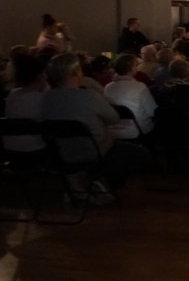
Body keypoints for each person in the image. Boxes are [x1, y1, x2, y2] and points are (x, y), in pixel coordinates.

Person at [41, 52, 152, 198]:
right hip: (96, 150)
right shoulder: (89, 96)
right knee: (142, 154)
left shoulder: (46, 98)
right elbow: (113, 118)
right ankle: (103, 183)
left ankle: (86, 180)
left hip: (63, 151)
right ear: (76, 72)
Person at [104, 54, 157, 138]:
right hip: (137, 130)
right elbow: (152, 111)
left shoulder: (107, 87)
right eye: (136, 65)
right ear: (132, 68)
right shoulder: (139, 87)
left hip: (113, 129)